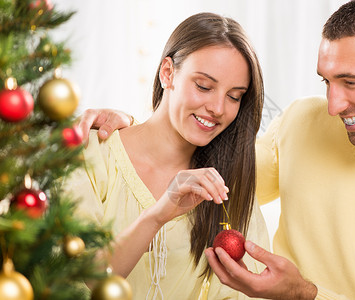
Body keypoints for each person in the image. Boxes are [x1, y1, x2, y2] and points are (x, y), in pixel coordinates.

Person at [80, 0, 355, 299]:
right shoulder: (306, 120)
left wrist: (305, 294)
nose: (333, 105)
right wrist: (129, 125)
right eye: (327, 81)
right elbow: (210, 155)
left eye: (351, 82)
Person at [67, 12, 270, 300]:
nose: (218, 108)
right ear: (167, 73)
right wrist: (158, 214)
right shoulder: (92, 152)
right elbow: (83, 274)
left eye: (234, 96)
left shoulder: (225, 187)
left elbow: (249, 290)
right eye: (203, 86)